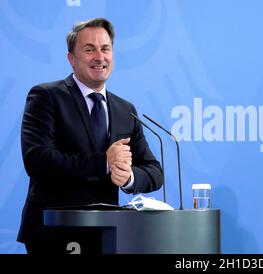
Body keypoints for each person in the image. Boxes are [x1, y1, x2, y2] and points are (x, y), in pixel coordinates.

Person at [17, 18, 163, 254]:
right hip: (54, 231)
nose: (99, 56)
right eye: (89, 49)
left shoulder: (125, 110)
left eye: (105, 49)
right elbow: (37, 159)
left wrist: (128, 177)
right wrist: (104, 162)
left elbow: (154, 171)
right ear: (71, 59)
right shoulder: (46, 96)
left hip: (108, 233)